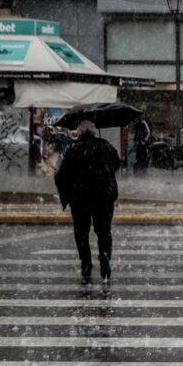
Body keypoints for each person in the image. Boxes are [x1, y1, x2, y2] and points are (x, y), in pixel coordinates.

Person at [55, 120, 121, 283]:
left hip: (80, 198)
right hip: (103, 197)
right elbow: (116, 163)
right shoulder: (105, 146)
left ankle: (86, 263)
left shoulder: (71, 149)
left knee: (81, 232)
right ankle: (104, 254)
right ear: (93, 132)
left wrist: (65, 196)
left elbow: (60, 174)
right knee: (104, 231)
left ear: (79, 132)